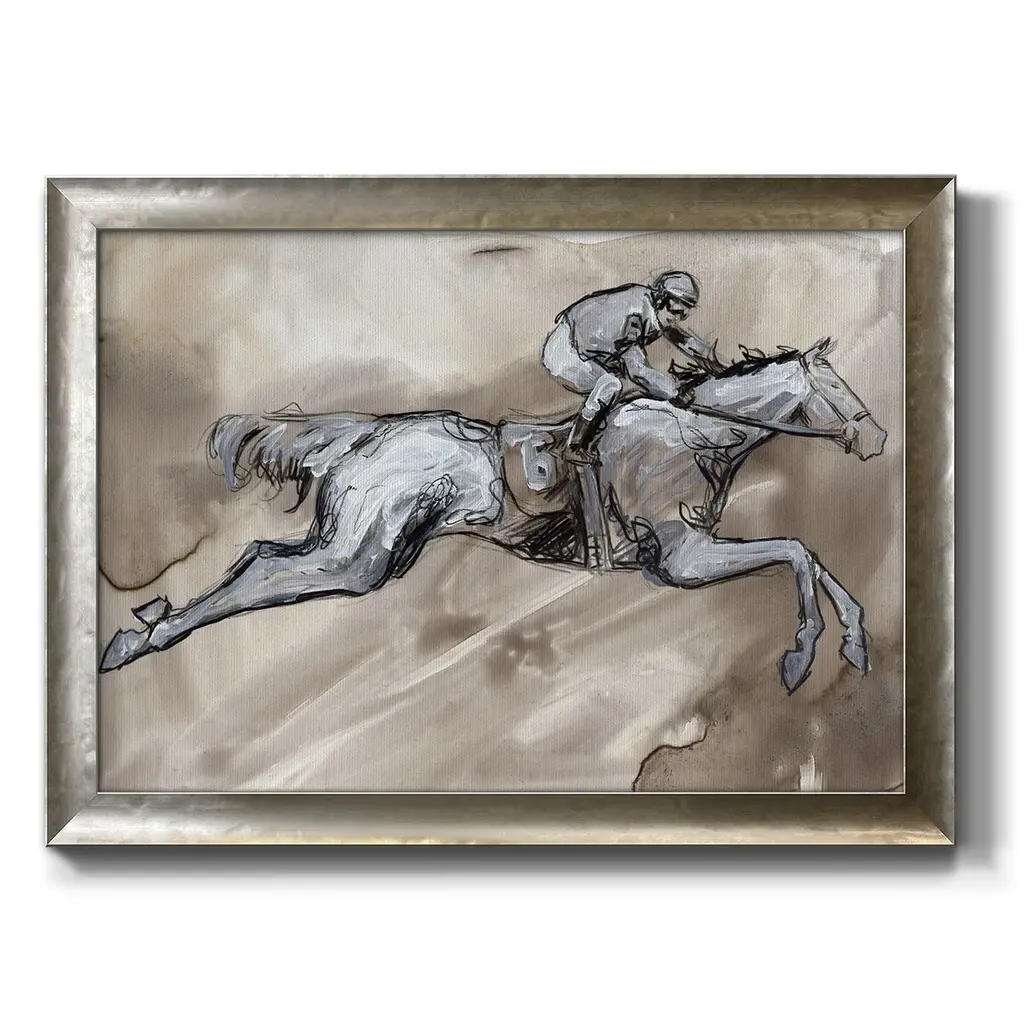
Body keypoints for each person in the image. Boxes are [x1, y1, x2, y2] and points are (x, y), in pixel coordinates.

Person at [542, 271, 719, 462]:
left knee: (616, 384)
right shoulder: (635, 316)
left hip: (587, 344)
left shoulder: (649, 305)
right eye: (675, 312)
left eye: (683, 314)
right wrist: (674, 392)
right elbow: (637, 371)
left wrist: (717, 364)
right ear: (661, 299)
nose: (677, 319)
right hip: (565, 350)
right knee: (611, 385)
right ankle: (573, 446)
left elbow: (681, 339)